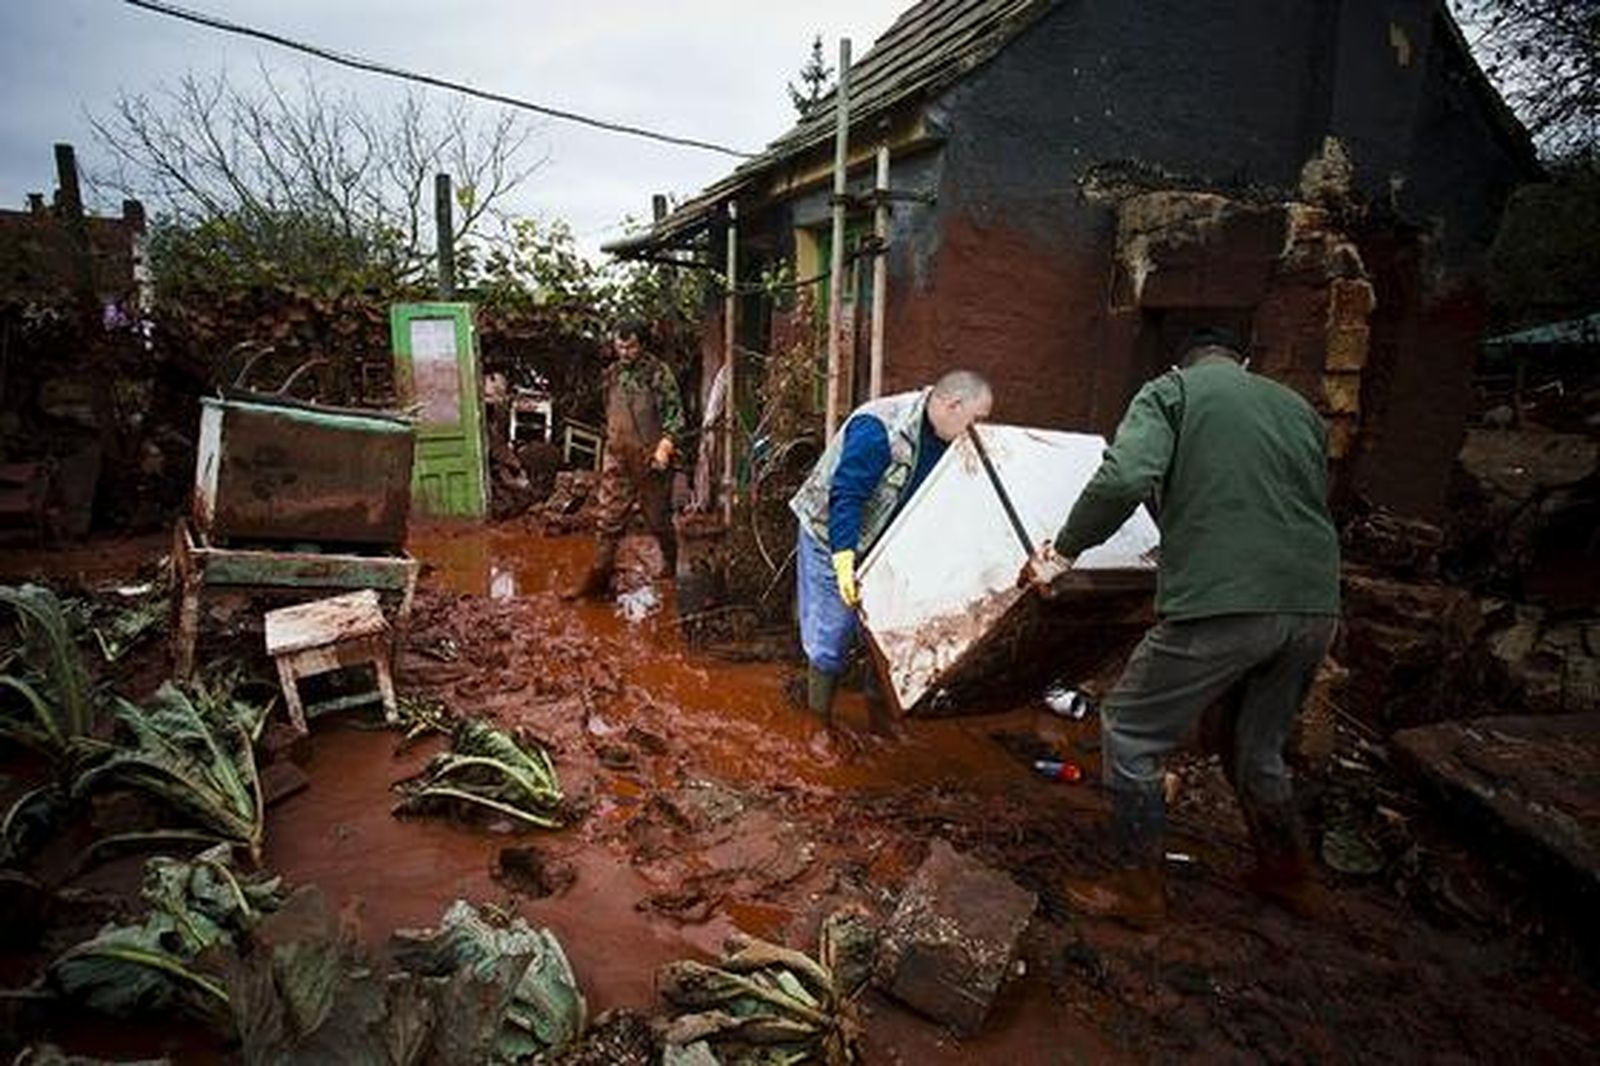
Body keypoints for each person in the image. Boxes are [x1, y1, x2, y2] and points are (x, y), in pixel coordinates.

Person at [1023, 328, 1339, 927]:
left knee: (1130, 727)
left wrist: (1062, 553)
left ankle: (1137, 889)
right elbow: (1290, 497)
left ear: (1181, 364)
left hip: (1227, 601)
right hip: (1315, 604)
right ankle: (1291, 877)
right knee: (1257, 747)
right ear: (1243, 362)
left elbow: (1123, 479)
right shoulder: (1297, 408)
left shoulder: (1171, 393)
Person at [790, 370, 994, 731]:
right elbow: (846, 496)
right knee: (832, 632)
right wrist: (844, 560)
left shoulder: (952, 441)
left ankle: (881, 718)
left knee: (889, 630)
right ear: (953, 405)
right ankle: (818, 722)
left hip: (887, 544)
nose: (979, 431)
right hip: (831, 535)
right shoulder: (880, 428)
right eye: (977, 420)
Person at [564, 318, 685, 600]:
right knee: (609, 519)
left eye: (630, 347)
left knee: (657, 519)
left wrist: (665, 446)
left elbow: (675, 417)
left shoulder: (658, 373)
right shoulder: (612, 375)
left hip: (651, 460)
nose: (624, 352)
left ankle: (671, 564)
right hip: (617, 458)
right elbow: (608, 412)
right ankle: (598, 580)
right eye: (620, 346)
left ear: (642, 344)